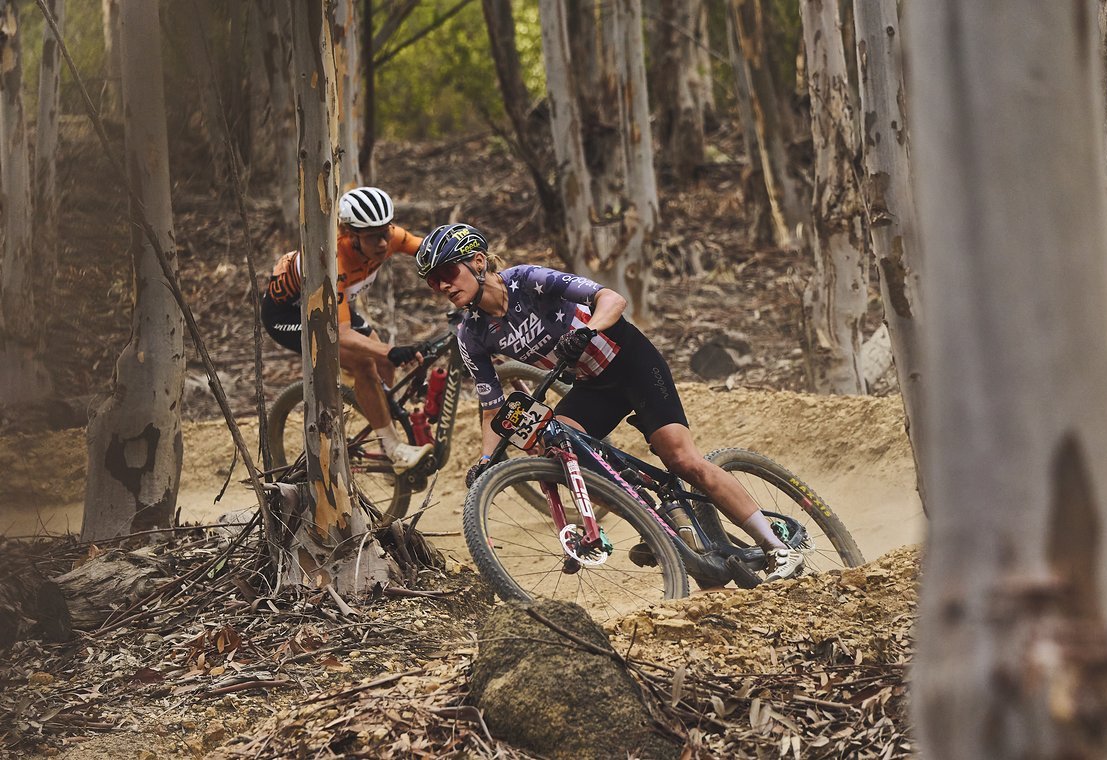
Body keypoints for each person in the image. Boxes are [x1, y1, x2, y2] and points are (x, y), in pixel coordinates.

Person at [413, 222, 804, 582]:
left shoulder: (526, 280)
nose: (443, 287)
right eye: (433, 283)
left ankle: (777, 546)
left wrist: (589, 329)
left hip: (630, 360)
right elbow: (492, 406)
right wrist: (485, 460)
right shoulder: (472, 333)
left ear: (478, 262)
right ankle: (655, 518)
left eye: (447, 273)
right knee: (562, 456)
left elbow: (611, 299)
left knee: (682, 459)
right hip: (592, 385)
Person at [261, 187, 432, 473]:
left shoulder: (390, 237)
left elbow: (431, 248)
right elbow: (340, 331)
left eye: (385, 232)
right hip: (288, 313)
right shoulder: (333, 260)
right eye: (372, 237)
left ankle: (380, 425)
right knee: (365, 361)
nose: (382, 243)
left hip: (328, 304)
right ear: (351, 235)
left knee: (380, 360)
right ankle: (392, 448)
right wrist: (391, 350)